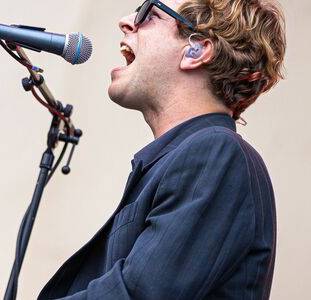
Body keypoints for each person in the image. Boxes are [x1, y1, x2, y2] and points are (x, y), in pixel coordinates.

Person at [38, 0, 286, 299]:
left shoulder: (215, 153)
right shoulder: (189, 157)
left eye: (149, 14)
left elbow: (139, 294)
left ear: (197, 50)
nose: (126, 20)